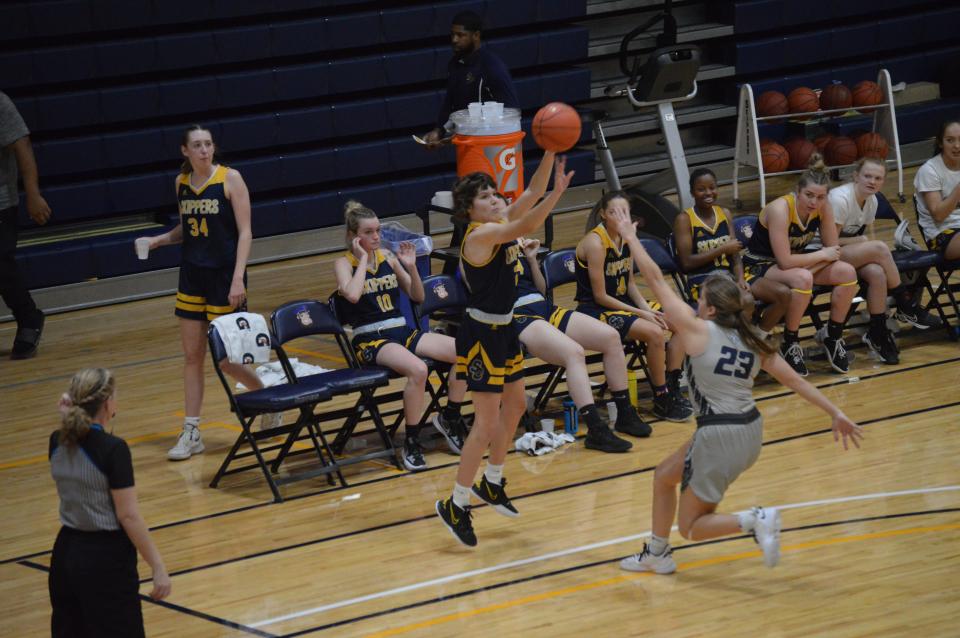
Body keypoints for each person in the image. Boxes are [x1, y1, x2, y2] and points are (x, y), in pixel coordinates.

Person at [614, 219, 862, 574]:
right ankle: (656, 552)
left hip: (719, 434)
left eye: (700, 300)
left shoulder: (698, 330)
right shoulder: (754, 339)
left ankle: (755, 519)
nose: (695, 304)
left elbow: (654, 278)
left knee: (692, 527)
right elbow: (798, 383)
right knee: (664, 475)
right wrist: (835, 411)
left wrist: (631, 238)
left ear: (712, 309)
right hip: (750, 431)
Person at [436, 153, 572, 547]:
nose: (496, 199)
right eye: (486, 197)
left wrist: (547, 153)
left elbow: (530, 192)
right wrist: (558, 194)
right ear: (468, 210)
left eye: (496, 193)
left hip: (505, 328)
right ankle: (456, 504)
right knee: (486, 424)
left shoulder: (496, 223)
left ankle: (492, 482)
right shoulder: (479, 236)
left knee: (515, 407)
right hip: (480, 335)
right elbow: (528, 222)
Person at [137, 125, 271, 461]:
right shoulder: (181, 183)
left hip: (225, 276)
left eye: (208, 144)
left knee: (225, 360)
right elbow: (187, 227)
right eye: (197, 145)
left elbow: (245, 232)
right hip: (192, 275)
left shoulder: (230, 179)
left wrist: (238, 278)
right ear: (185, 150)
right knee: (192, 356)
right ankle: (192, 430)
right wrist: (159, 241)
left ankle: (266, 397)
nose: (204, 150)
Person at [333, 200, 468, 471]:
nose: (375, 237)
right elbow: (352, 294)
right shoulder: (343, 263)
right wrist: (362, 262)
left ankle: (450, 416)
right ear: (353, 236)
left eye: (377, 231)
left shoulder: (389, 258)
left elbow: (418, 297)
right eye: (368, 232)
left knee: (465, 351)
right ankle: (412, 441)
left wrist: (411, 267)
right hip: (371, 339)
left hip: (401, 329)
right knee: (418, 370)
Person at [508, 198, 644, 452]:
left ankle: (625, 413)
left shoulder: (517, 242)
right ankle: (596, 428)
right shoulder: (482, 249)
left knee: (611, 337)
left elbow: (540, 288)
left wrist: (532, 259)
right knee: (574, 352)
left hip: (543, 306)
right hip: (517, 316)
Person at [49, 368, 171, 637]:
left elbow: (76, 435)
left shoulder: (57, 440)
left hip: (65, 553)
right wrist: (158, 566)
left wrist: (67, 414)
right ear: (107, 404)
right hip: (104, 560)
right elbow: (128, 516)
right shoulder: (113, 449)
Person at [574, 192, 693, 422]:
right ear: (602, 214)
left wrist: (647, 311)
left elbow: (629, 284)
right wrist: (641, 314)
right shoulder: (595, 243)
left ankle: (672, 386)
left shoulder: (627, 238)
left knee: (681, 322)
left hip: (624, 304)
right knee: (655, 333)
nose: (619, 218)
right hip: (595, 310)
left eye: (624, 213)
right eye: (613, 213)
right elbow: (600, 296)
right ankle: (660, 398)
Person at [742, 154, 858, 376]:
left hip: (798, 263)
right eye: (809, 195)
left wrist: (816, 261)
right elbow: (785, 261)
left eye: (821, 197)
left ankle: (833, 336)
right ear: (797, 191)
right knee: (802, 278)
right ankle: (790, 341)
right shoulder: (780, 209)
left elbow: (833, 252)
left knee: (847, 271)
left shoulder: (824, 207)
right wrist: (818, 258)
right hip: (761, 264)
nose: (814, 202)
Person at [827, 157, 941, 365]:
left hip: (842, 254)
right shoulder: (840, 198)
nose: (872, 181)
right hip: (820, 254)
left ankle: (878, 333)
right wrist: (858, 240)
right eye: (867, 176)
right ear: (855, 176)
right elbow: (829, 243)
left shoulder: (872, 201)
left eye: (878, 178)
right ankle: (906, 305)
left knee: (877, 273)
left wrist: (858, 242)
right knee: (879, 248)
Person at [674, 168, 793, 335]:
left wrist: (740, 279)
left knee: (783, 294)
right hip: (703, 280)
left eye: (712, 187)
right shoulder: (684, 219)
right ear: (692, 192)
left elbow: (735, 253)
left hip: (729, 275)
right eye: (701, 189)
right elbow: (686, 263)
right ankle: (739, 343)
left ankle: (759, 338)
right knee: (746, 300)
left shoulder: (725, 213)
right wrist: (721, 249)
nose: (708, 193)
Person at [0, 90, 51, 359]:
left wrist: (32, 193)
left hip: (1, 202)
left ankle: (28, 318)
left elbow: (23, 146)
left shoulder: (0, 103)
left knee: (1, 264)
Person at [421, 11, 520, 148]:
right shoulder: (454, 64)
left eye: (461, 35)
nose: (454, 40)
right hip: (467, 147)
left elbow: (512, 112)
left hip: (493, 147)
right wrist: (439, 131)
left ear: (476, 36)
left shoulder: (492, 67)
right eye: (453, 34)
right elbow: (451, 102)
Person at [914, 119, 960, 261]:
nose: (957, 146)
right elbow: (939, 215)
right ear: (940, 143)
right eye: (950, 140)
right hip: (942, 234)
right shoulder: (929, 171)